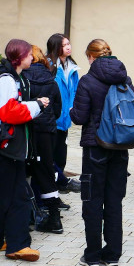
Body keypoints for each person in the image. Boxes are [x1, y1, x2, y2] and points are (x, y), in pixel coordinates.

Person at [0, 39, 50, 262]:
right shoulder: (7, 80)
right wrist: (37, 105)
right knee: (19, 195)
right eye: (30, 55)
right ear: (20, 57)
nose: (33, 58)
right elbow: (9, 113)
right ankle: (18, 245)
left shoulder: (8, 78)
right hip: (8, 146)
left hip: (6, 146)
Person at [70, 39, 134, 266]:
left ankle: (93, 256)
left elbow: (78, 117)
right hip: (120, 147)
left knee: (93, 200)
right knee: (114, 200)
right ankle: (113, 254)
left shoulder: (88, 80)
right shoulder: (124, 79)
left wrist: (71, 109)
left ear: (90, 56)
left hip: (95, 146)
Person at [25, 45, 64, 234]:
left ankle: (28, 215)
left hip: (27, 131)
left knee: (23, 172)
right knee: (46, 172)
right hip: (47, 132)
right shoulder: (51, 80)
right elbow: (57, 108)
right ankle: (53, 216)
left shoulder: (21, 78)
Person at [47, 33, 81, 193]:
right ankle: (54, 185)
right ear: (56, 47)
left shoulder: (72, 67)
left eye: (69, 43)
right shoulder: (49, 66)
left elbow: (75, 90)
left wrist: (73, 107)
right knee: (51, 156)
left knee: (61, 155)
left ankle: (59, 184)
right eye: (64, 44)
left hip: (66, 118)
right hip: (52, 118)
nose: (68, 47)